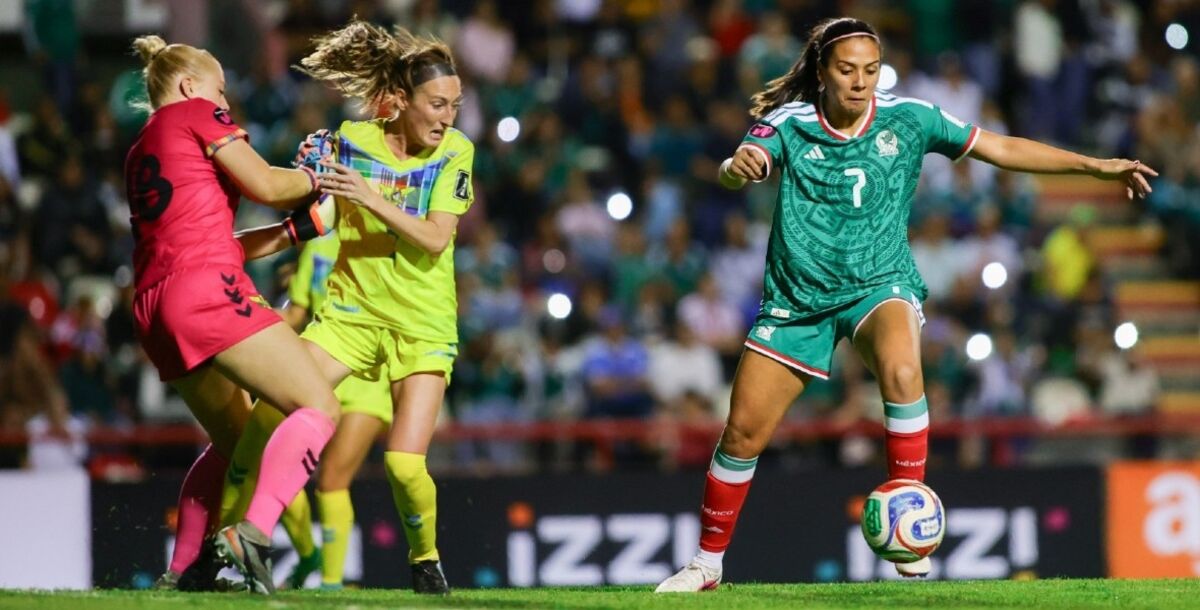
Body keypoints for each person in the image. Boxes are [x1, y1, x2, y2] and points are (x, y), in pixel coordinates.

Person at [656, 16, 1156, 593]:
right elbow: (745, 162)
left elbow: (999, 146)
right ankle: (706, 564)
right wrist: (731, 170)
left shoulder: (910, 117)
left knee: (900, 368)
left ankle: (909, 523)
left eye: (870, 70)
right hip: (799, 300)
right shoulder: (788, 123)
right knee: (741, 435)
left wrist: (1093, 166)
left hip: (880, 283)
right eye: (846, 70)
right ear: (821, 72)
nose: (860, 81)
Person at [218, 19, 474, 595]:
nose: (447, 118)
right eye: (436, 104)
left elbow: (435, 238)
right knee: (266, 413)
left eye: (454, 106)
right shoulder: (350, 142)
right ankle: (230, 538)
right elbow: (316, 217)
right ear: (401, 102)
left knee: (404, 466)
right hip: (350, 316)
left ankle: (425, 558)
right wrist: (234, 246)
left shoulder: (456, 153)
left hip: (423, 323)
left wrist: (370, 197)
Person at [123, 35, 342, 595]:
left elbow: (209, 241)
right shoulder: (197, 113)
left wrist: (297, 232)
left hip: (154, 305)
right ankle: (252, 534)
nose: (227, 106)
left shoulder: (142, 147)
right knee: (318, 405)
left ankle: (185, 571)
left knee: (234, 442)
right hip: (204, 292)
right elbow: (268, 184)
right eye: (221, 91)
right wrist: (319, 179)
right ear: (192, 87)